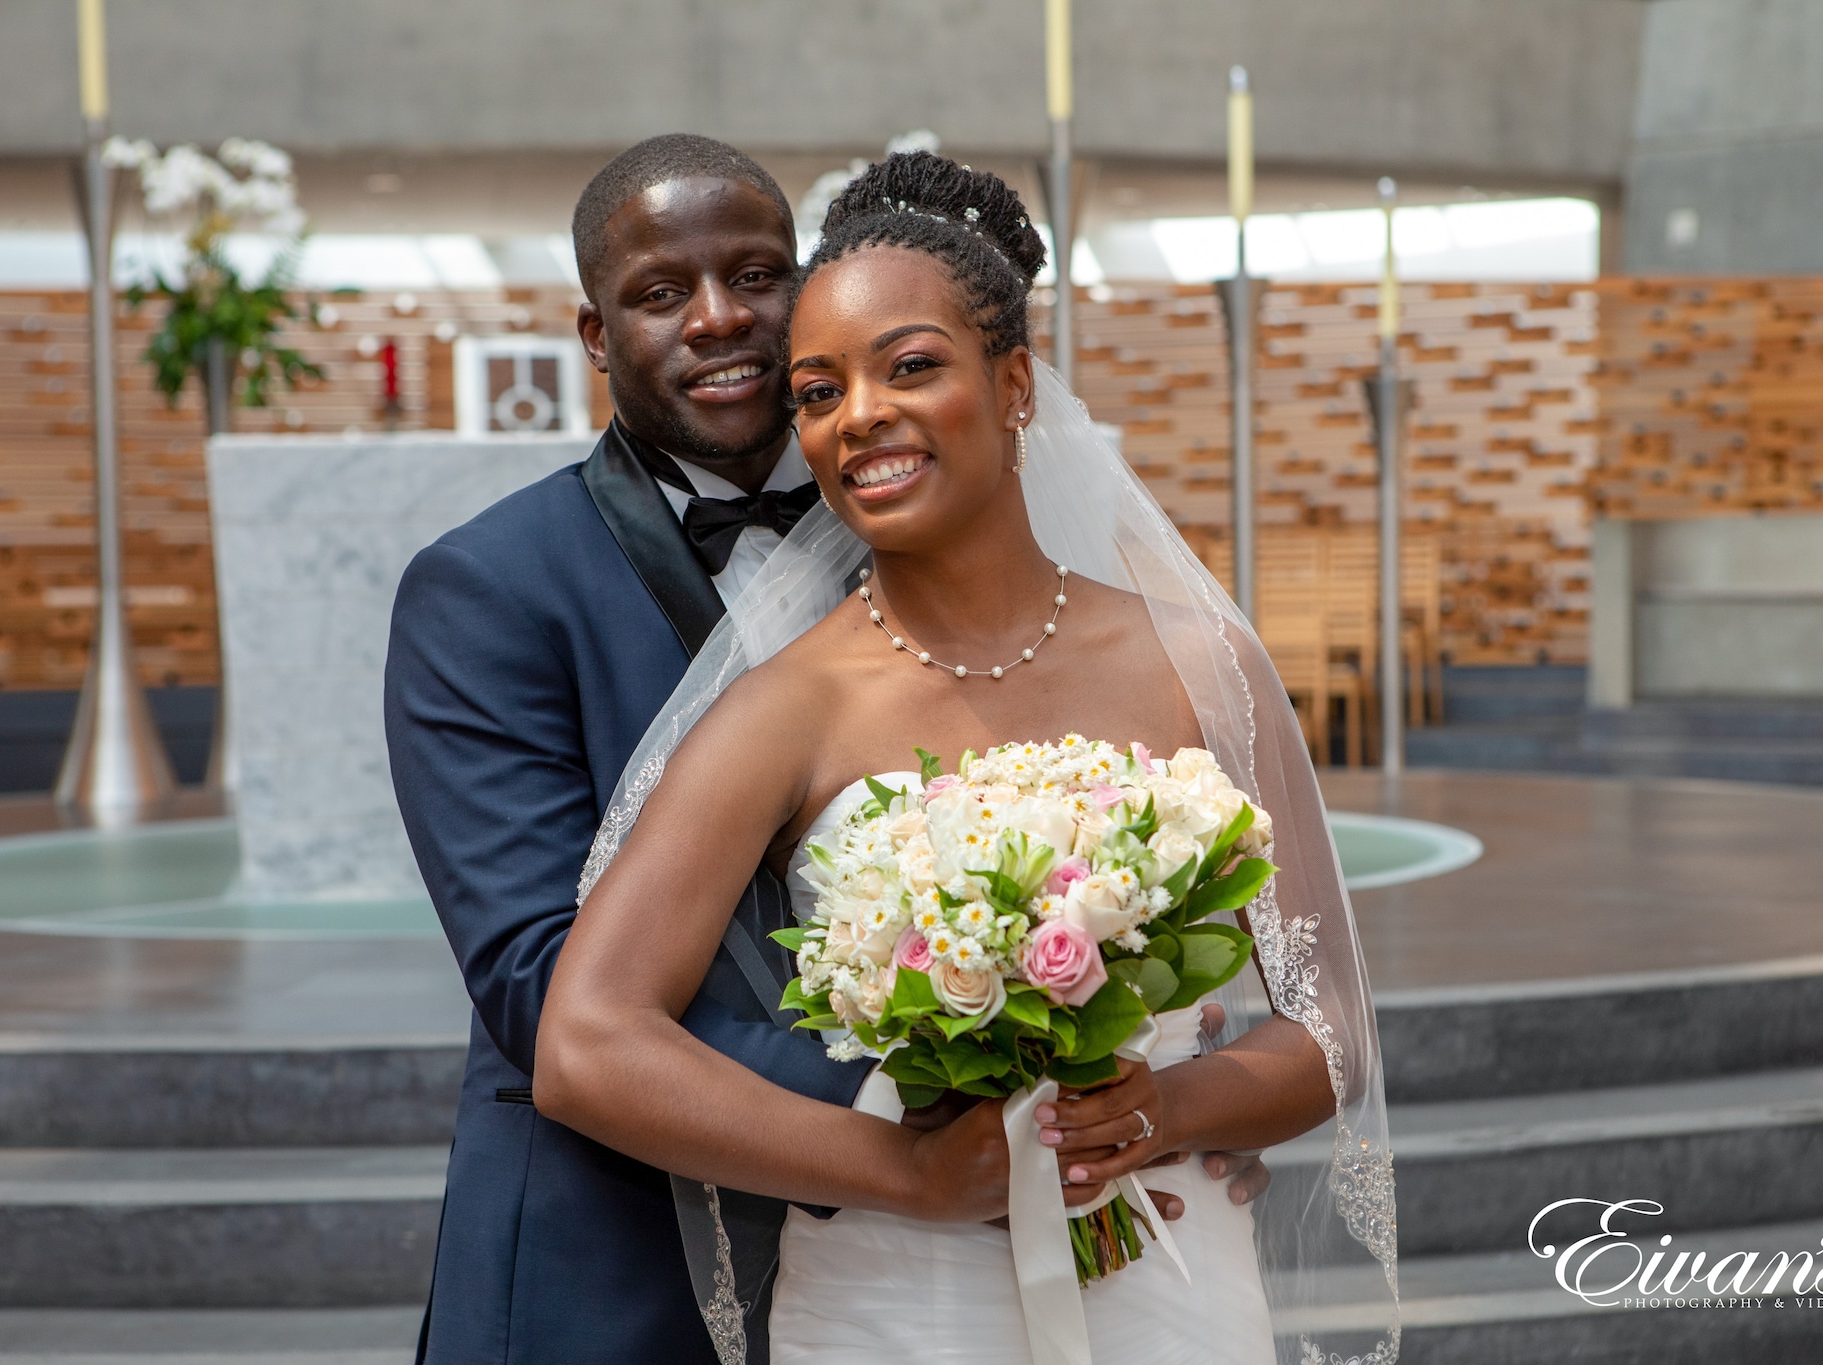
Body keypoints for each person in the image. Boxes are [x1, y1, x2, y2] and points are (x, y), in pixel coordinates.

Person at [537, 153, 1400, 1365]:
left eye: (909, 368)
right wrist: (911, 1172)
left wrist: (1156, 1105)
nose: (859, 417)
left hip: (1168, 1263)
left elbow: (1328, 1028)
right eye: (818, 393)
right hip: (900, 1297)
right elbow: (585, 1047)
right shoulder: (784, 707)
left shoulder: (1199, 661)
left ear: (1011, 386)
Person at [384, 135, 870, 1364]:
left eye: (756, 275)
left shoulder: (910, 547)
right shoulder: (487, 589)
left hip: (905, 1273)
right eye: (660, 293)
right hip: (613, 1241)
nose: (718, 319)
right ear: (596, 336)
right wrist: (902, 1101)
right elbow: (541, 983)